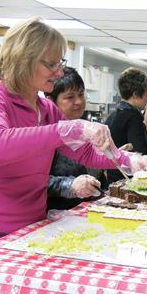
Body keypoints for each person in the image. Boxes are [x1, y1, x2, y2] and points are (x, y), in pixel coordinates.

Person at [0, 17, 147, 294]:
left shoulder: (47, 109)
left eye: (60, 62)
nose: (59, 71)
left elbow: (87, 154)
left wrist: (129, 160)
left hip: (24, 236)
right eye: (51, 63)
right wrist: (67, 129)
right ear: (23, 60)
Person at [45, 66, 107, 210]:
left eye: (81, 94)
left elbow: (98, 179)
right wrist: (70, 185)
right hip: (56, 214)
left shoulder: (88, 130)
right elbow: (36, 181)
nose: (78, 101)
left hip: (88, 210)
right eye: (70, 97)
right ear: (51, 101)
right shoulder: (46, 135)